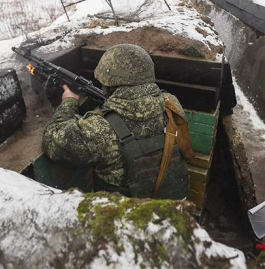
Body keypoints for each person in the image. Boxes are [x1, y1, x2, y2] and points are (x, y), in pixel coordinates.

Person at [42, 44, 190, 199]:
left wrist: (69, 102)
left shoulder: (99, 129)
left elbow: (53, 143)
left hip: (125, 217)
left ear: (109, 81)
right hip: (175, 208)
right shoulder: (170, 103)